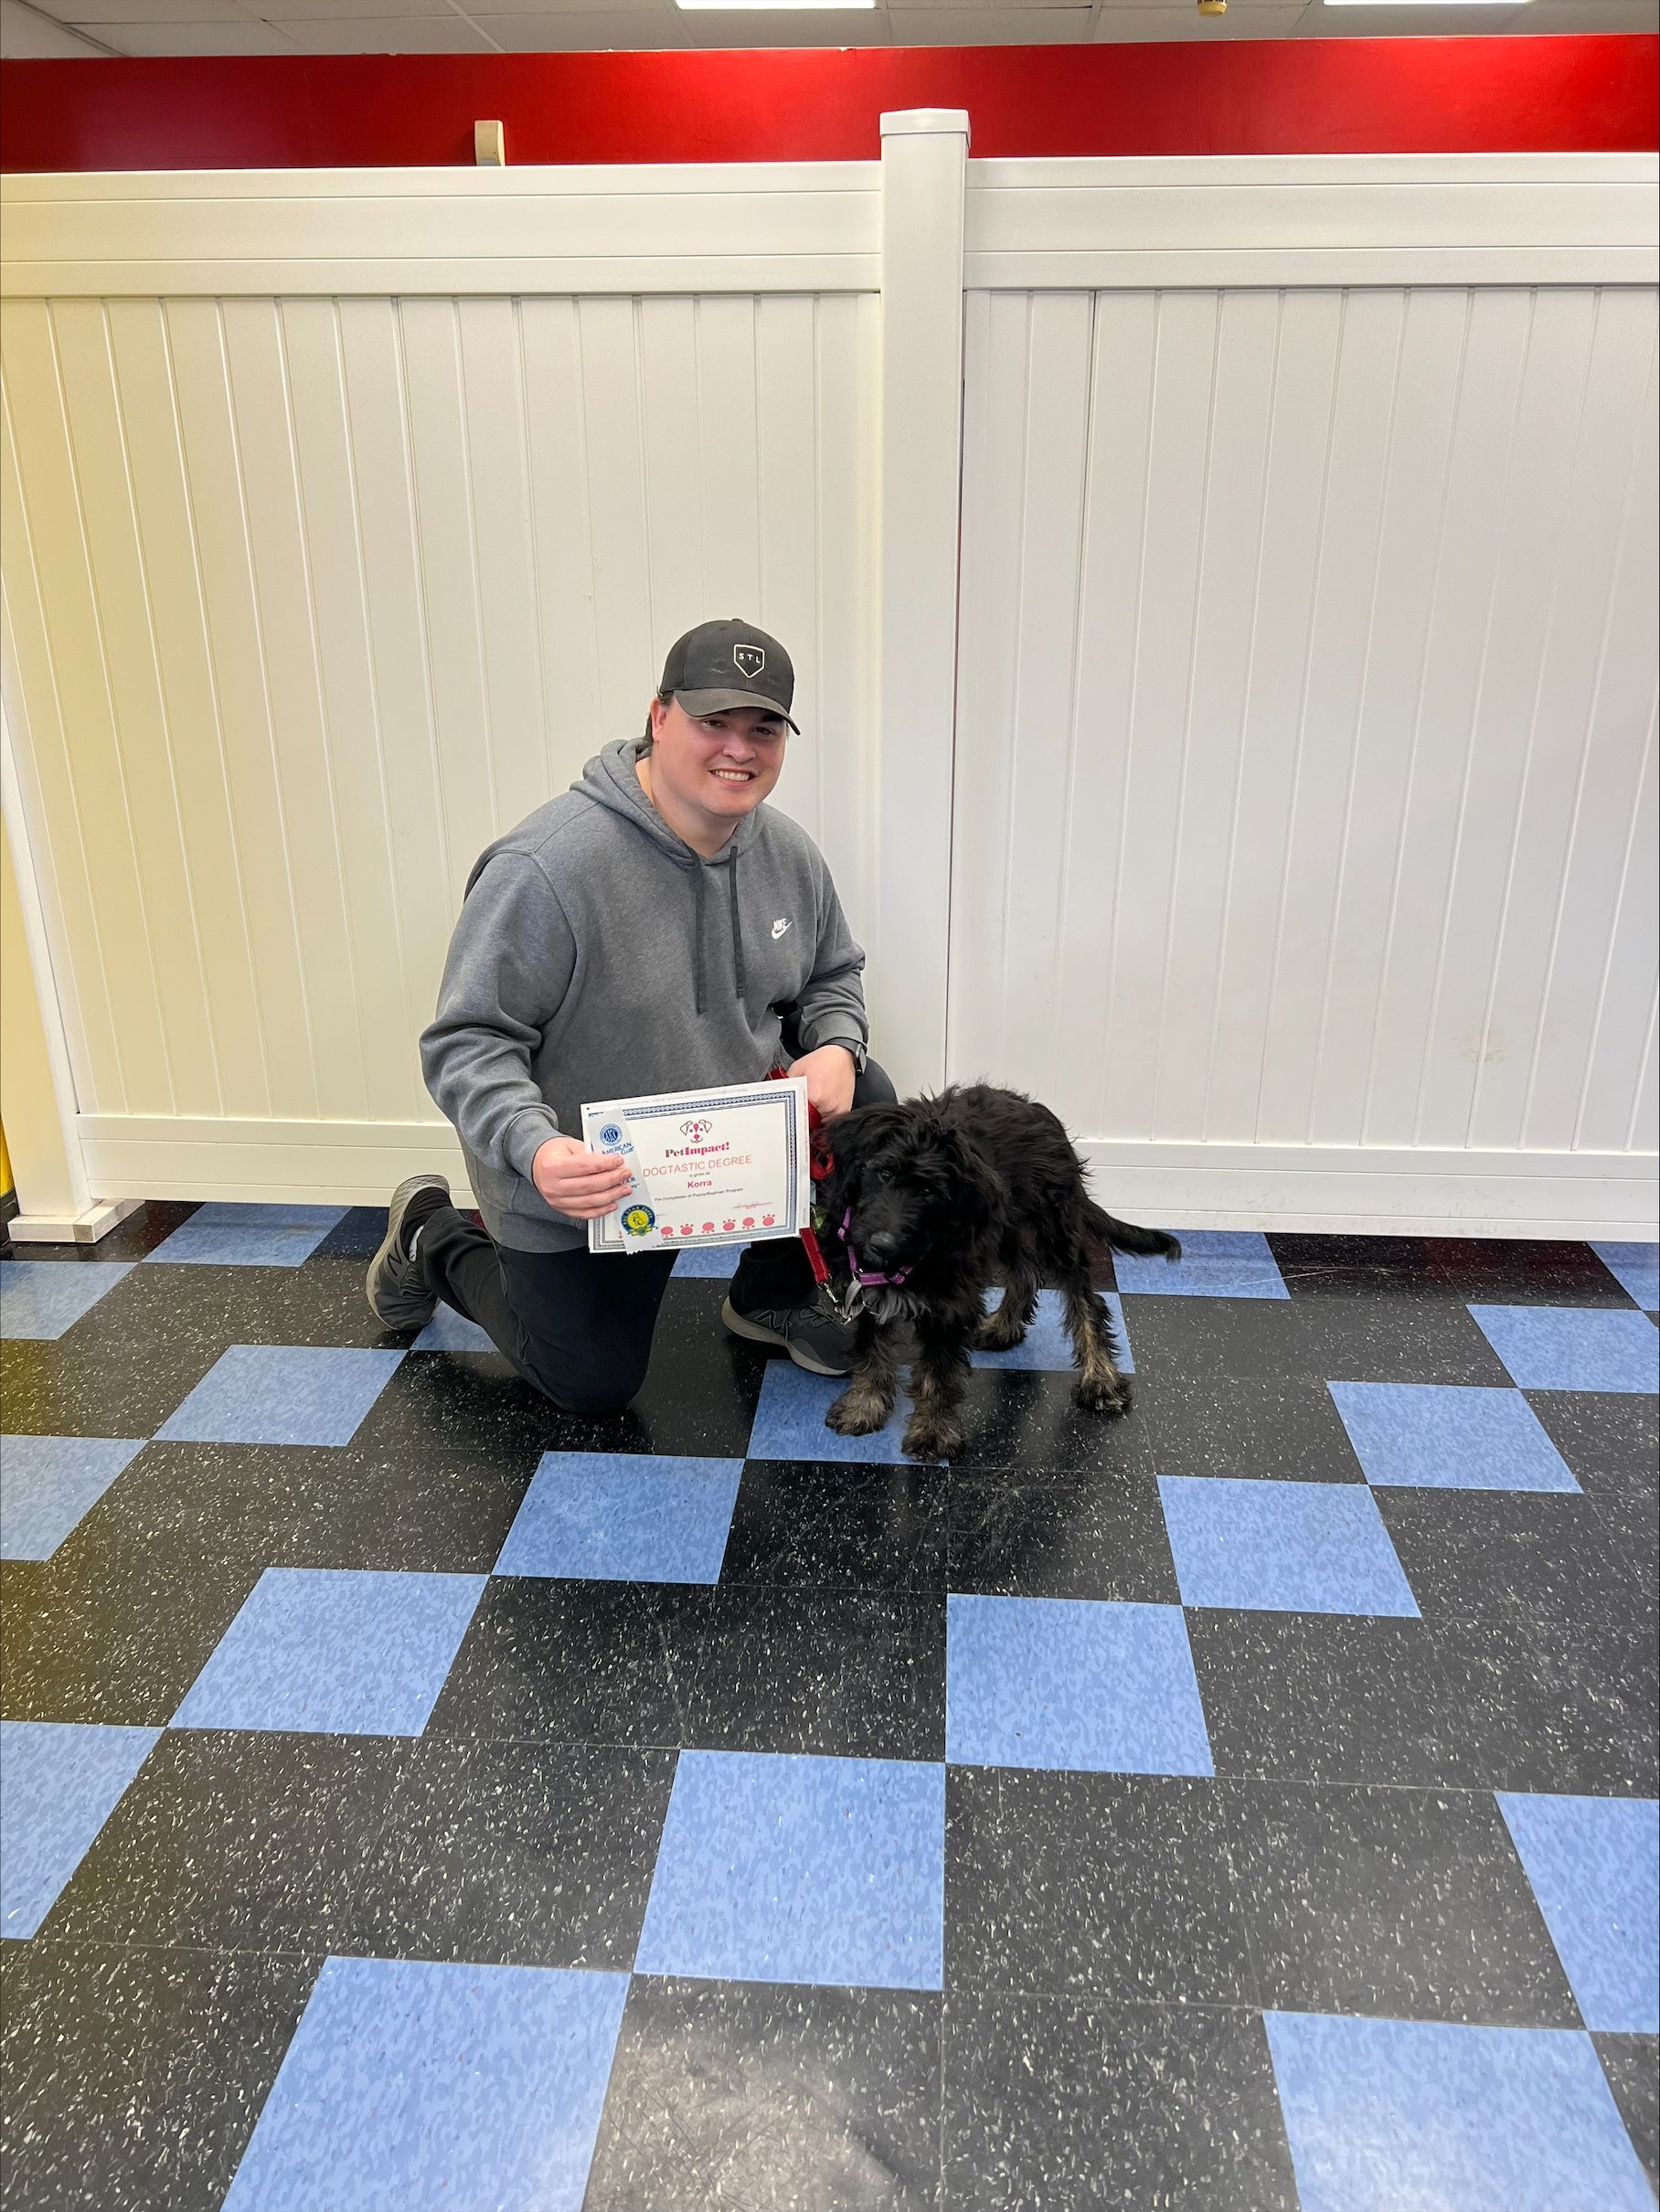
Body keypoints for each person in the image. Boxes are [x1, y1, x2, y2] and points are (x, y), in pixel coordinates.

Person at [366, 617, 898, 1415]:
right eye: (713, 722)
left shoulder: (788, 854)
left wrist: (839, 1045)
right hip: (588, 1172)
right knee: (590, 1384)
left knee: (868, 1096)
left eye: (762, 729)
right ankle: (431, 1234)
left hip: (723, 1140)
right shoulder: (545, 868)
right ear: (658, 717)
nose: (739, 750)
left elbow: (832, 973)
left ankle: (768, 1298)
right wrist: (534, 1150)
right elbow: (467, 1042)